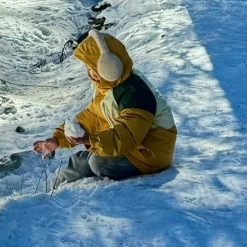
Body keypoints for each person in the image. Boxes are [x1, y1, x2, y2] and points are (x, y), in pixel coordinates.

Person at [33, 29, 176, 185]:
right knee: (80, 162)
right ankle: (53, 191)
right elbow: (91, 118)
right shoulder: (109, 87)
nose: (90, 74)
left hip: (147, 154)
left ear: (109, 67)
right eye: (88, 69)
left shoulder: (137, 94)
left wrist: (90, 139)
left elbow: (126, 136)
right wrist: (58, 139)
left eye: (93, 69)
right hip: (127, 145)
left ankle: (94, 188)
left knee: (98, 162)